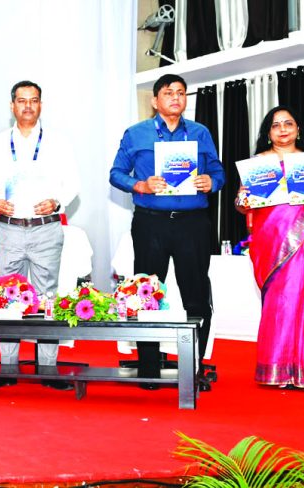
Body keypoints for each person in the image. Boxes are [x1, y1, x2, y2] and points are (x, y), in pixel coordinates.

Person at [109, 73, 224, 388]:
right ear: (155, 100)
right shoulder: (136, 134)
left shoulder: (200, 132)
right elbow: (116, 174)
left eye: (181, 92)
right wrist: (140, 185)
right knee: (146, 295)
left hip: (193, 223)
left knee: (196, 296)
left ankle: (195, 368)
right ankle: (149, 368)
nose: (176, 97)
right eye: (168, 92)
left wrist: (212, 181)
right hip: (151, 223)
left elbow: (218, 171)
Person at [236, 106, 304, 389]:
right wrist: (243, 199)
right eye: (276, 125)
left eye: (288, 123)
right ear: (268, 133)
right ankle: (278, 369)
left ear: (298, 129)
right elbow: (242, 205)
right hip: (271, 244)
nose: (283, 129)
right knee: (280, 304)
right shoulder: (258, 165)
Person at [0, 80, 79, 391]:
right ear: (12, 106)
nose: (28, 106)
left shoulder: (58, 143)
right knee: (7, 295)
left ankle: (47, 368)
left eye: (33, 100)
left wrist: (58, 201)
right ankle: (7, 367)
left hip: (46, 228)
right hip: (9, 228)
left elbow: (72, 183)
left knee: (47, 297)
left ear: (40, 105)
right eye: (22, 101)